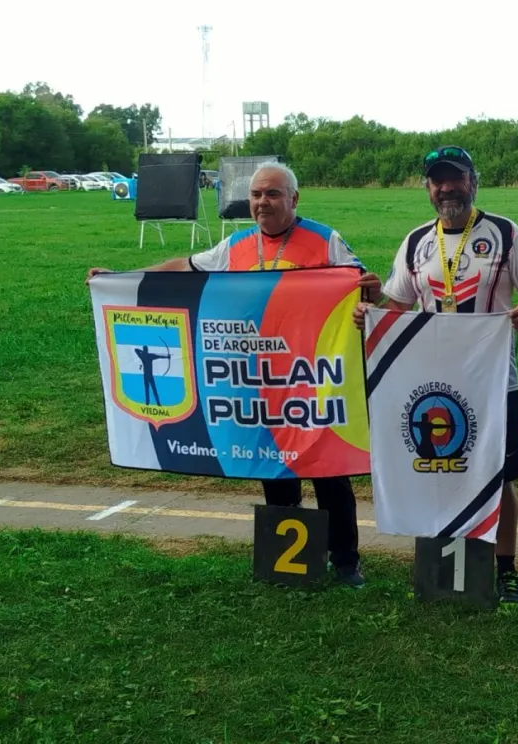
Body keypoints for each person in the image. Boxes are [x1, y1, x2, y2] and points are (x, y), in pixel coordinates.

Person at [87, 161, 380, 588]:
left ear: (294, 199)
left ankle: (346, 562)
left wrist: (370, 296)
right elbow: (184, 268)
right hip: (258, 382)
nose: (263, 202)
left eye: (273, 194)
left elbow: (362, 290)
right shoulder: (236, 245)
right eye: (256, 195)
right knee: (272, 468)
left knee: (329, 472)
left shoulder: (326, 241)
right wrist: (122, 279)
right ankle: (290, 560)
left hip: (313, 382)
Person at [353, 146, 518, 604]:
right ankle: (440, 564)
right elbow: (398, 308)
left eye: (455, 178)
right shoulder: (416, 241)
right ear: (428, 188)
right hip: (431, 383)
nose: (447, 188)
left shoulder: (505, 233)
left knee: (500, 475)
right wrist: (371, 312)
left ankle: (506, 570)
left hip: (492, 381)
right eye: (437, 181)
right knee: (435, 469)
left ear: (472, 182)